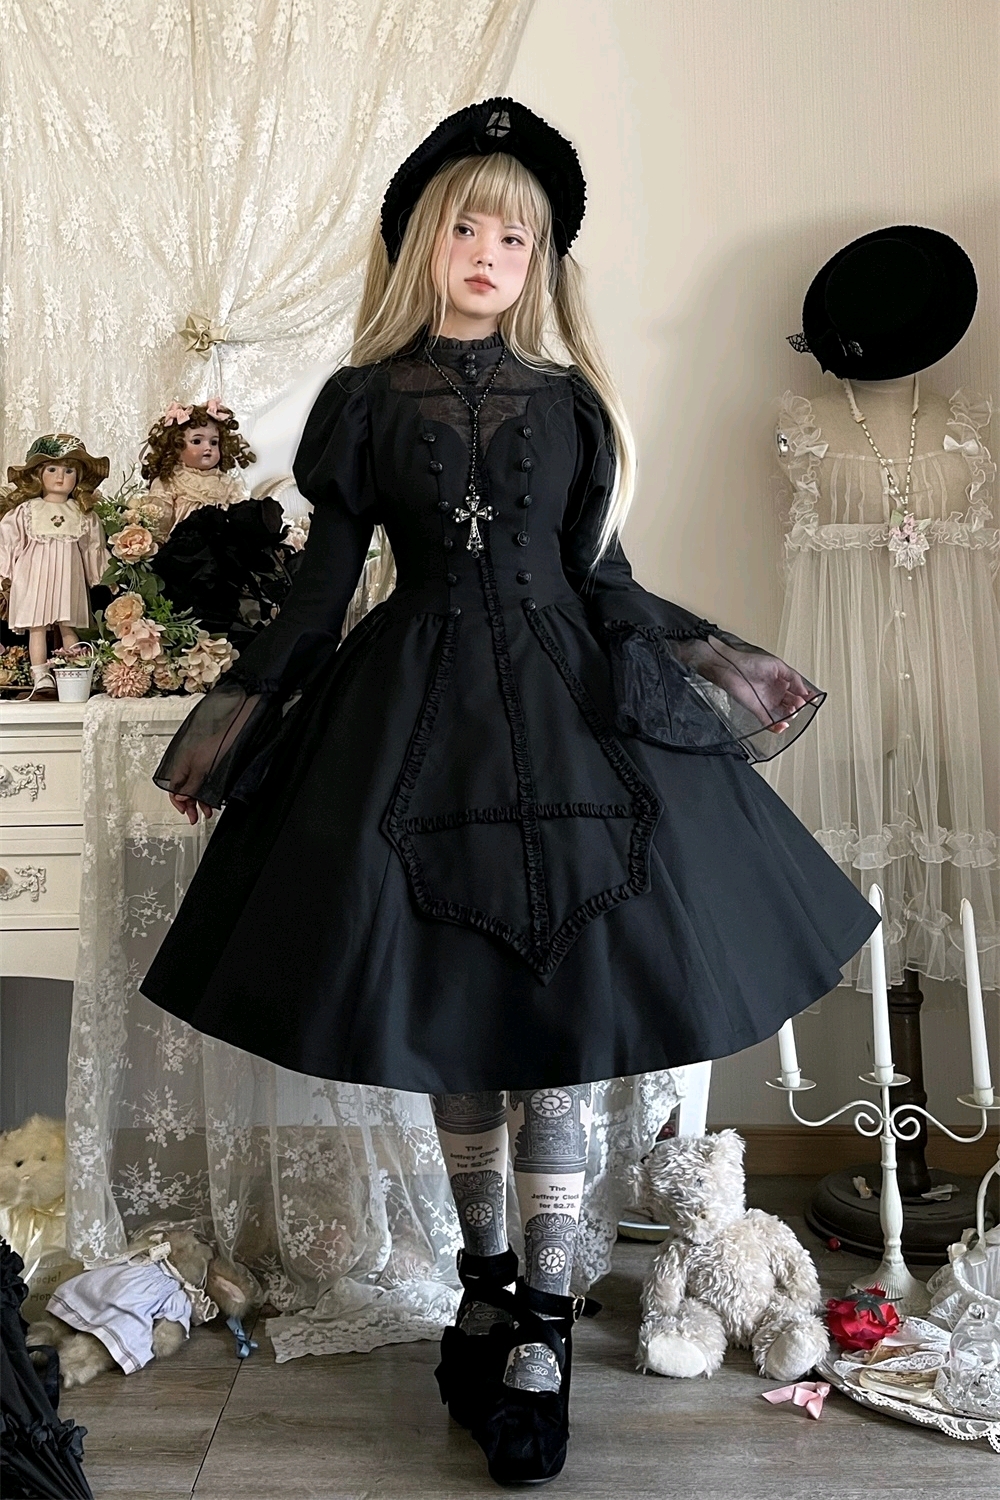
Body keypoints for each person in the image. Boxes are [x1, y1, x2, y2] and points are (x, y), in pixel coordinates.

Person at [139, 99, 878, 1485]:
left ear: (542, 262)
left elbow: (599, 575)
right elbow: (320, 594)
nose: (492, 253)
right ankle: (482, 1288)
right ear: (426, 241)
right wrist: (234, 728)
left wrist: (704, 663)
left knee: (561, 1034)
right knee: (464, 1030)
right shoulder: (364, 403)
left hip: (566, 719)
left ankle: (545, 1322)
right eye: (469, 228)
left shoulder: (571, 404)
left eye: (519, 237)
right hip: (412, 721)